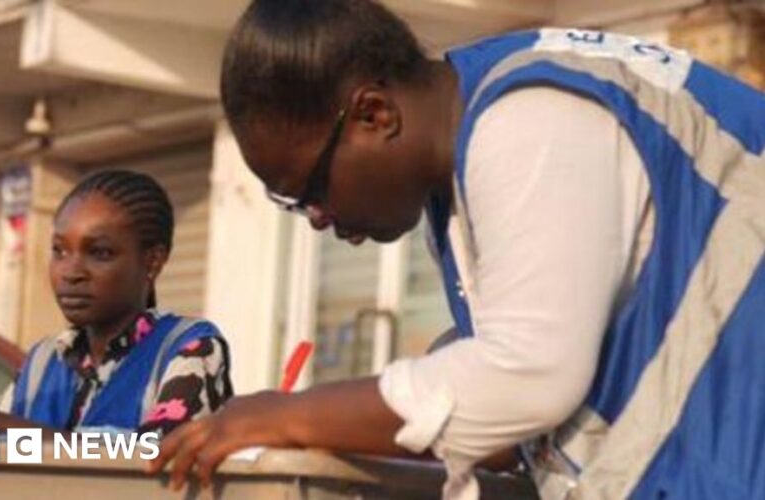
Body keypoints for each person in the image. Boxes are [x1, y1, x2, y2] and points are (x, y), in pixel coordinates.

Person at [147, 1, 765, 499]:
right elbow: (512, 406)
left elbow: (527, 374)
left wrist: (285, 415)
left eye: (309, 191)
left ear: (374, 113)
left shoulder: (527, 120)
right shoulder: (467, 163)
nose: (316, 220)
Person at [0, 170, 233, 436]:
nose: (71, 272)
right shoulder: (43, 361)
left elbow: (152, 458)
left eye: (99, 253)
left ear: (152, 261)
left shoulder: (190, 349)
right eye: (59, 251)